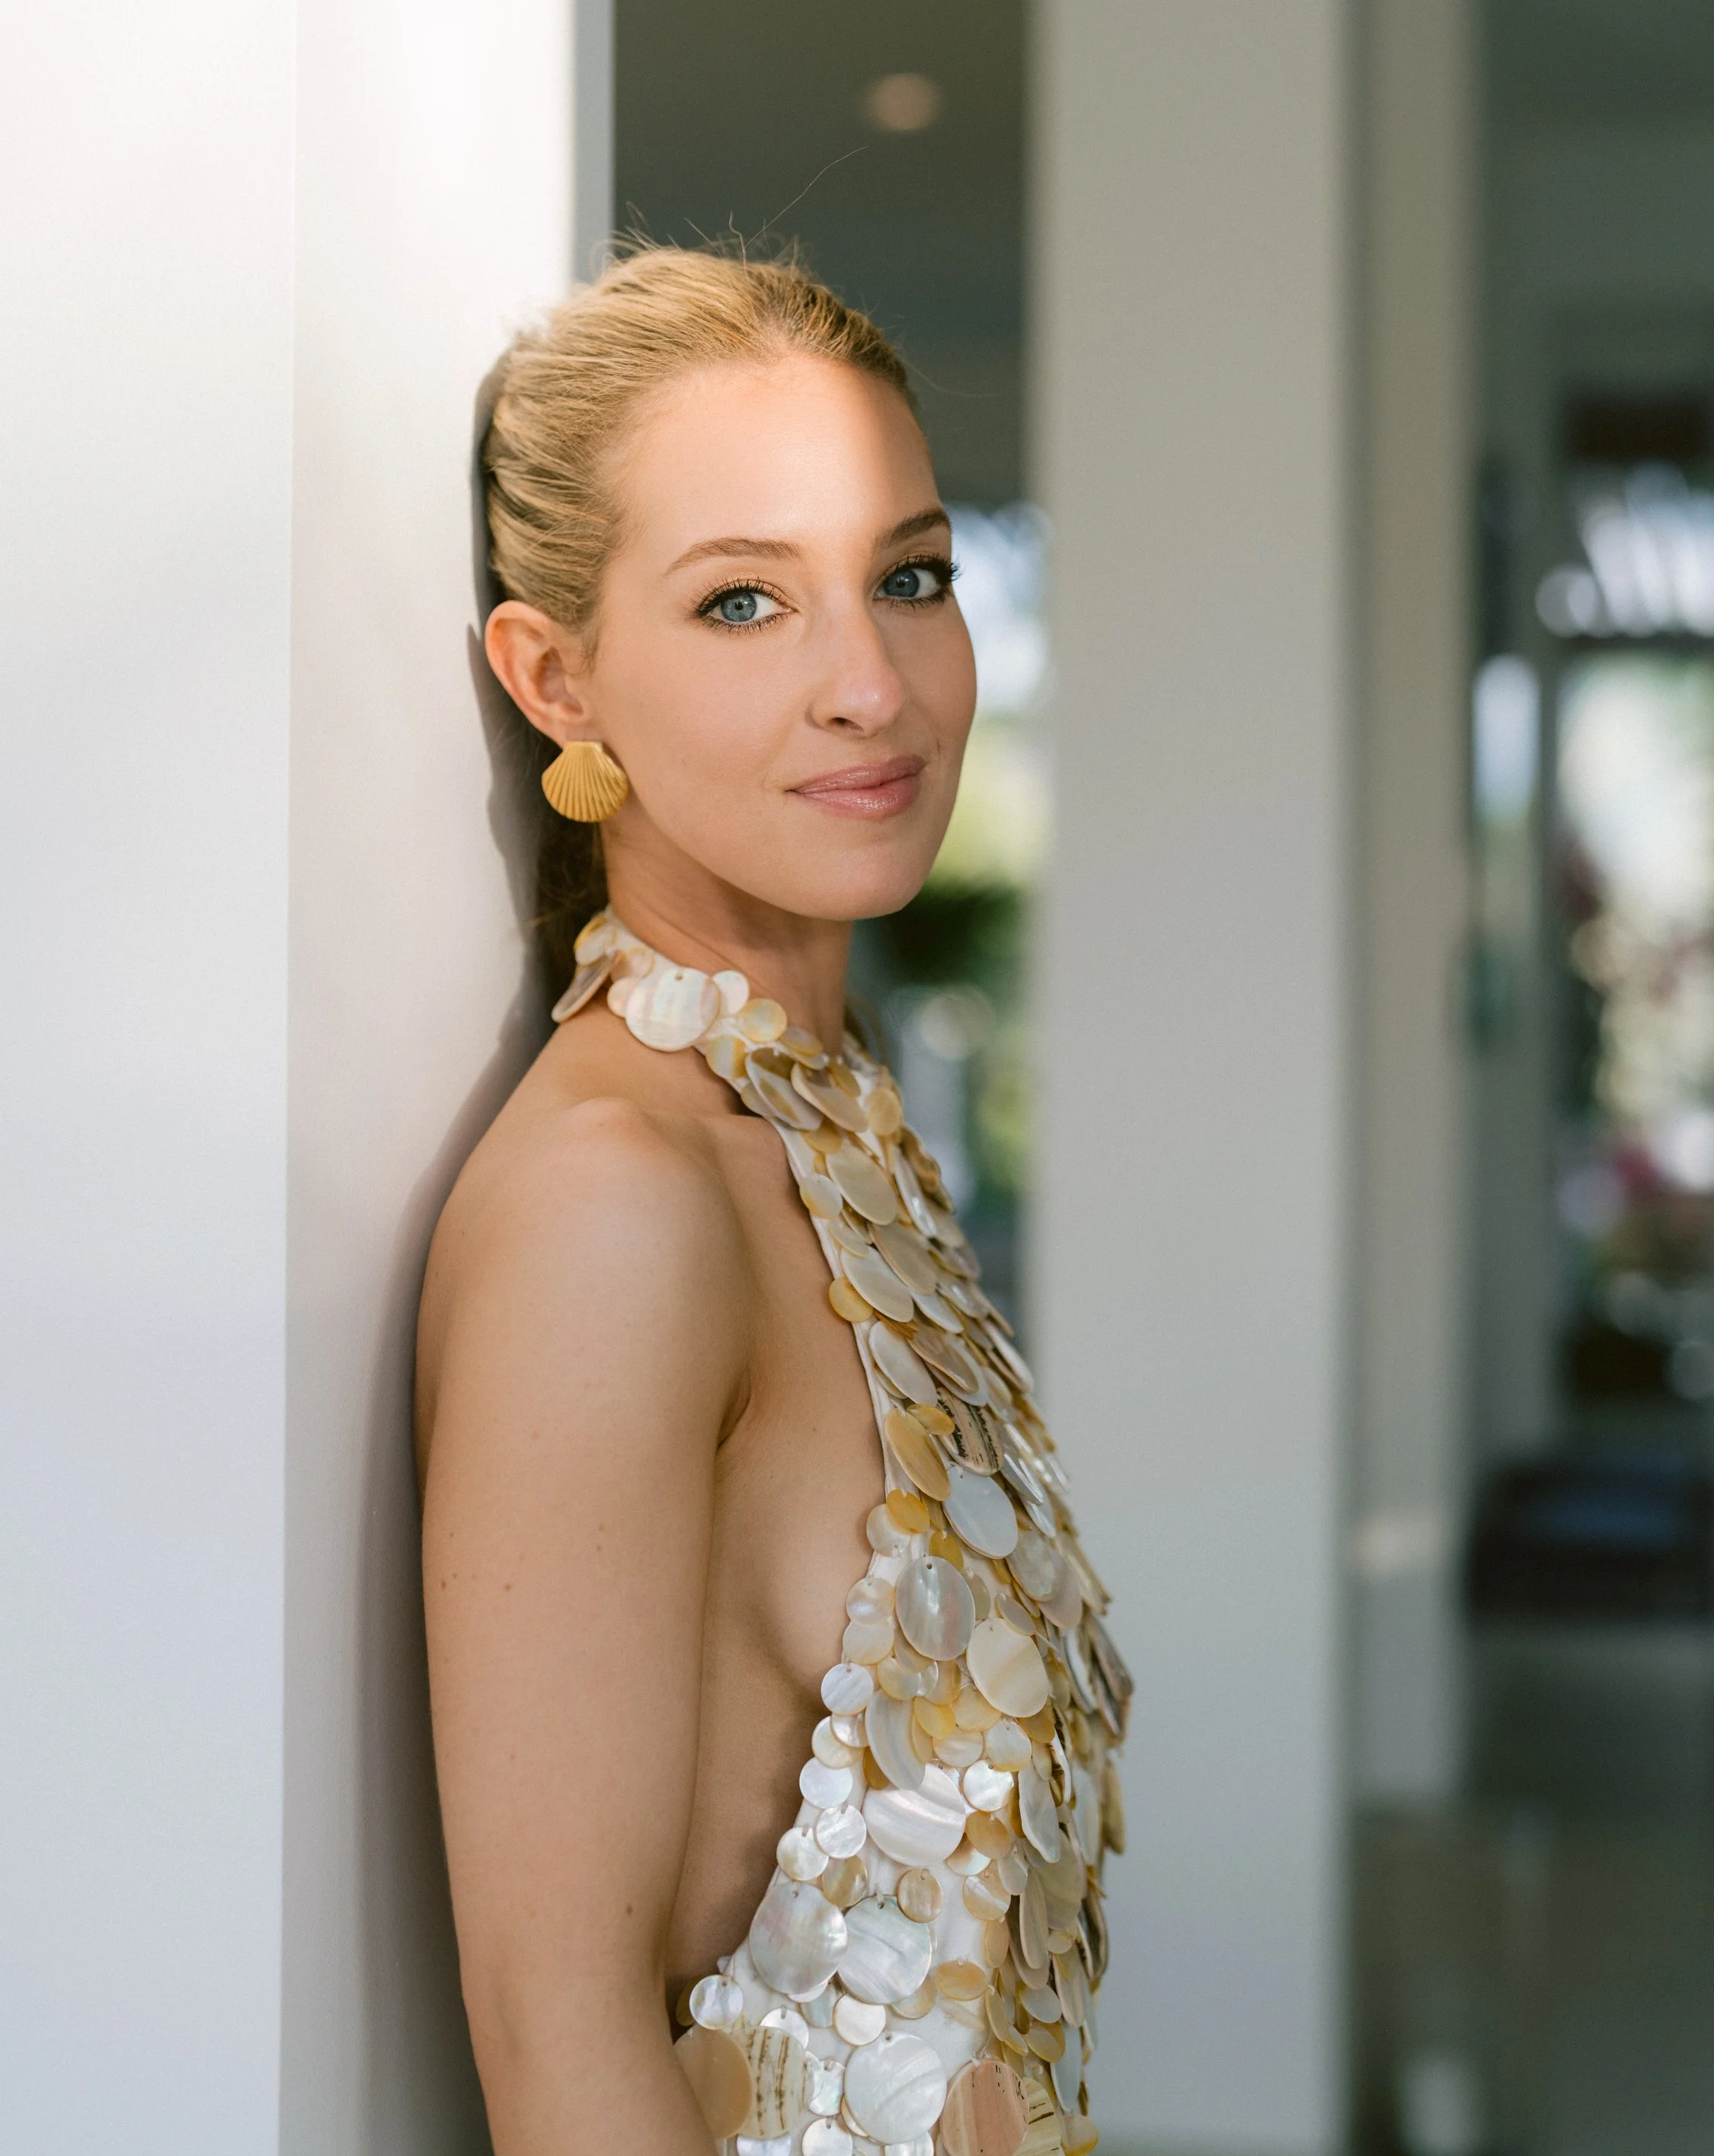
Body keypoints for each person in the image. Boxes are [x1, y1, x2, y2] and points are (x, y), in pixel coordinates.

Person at [416, 247, 1127, 2156]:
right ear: (555, 675)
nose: (871, 684)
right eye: (745, 601)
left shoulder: (827, 1134)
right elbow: (557, 2043)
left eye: (910, 575)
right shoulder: (613, 1201)